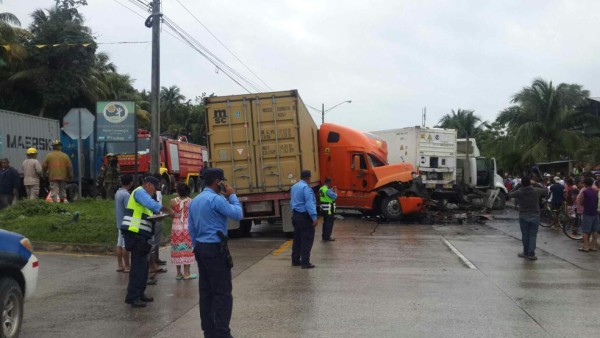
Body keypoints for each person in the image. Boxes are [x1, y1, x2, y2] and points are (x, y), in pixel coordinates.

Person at [188, 168, 243, 338]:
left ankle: (209, 332)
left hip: (201, 248)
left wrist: (197, 247)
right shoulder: (216, 200)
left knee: (206, 293)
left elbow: (191, 228)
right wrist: (232, 195)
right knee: (222, 293)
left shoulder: (195, 201)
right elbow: (238, 214)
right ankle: (222, 333)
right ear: (218, 182)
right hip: (215, 249)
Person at [121, 176, 174, 308]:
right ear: (148, 185)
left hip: (141, 235)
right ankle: (133, 297)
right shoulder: (139, 192)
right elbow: (151, 205)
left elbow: (146, 215)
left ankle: (140, 293)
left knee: (144, 267)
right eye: (155, 189)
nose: (154, 192)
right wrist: (166, 210)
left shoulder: (143, 195)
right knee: (138, 267)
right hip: (134, 234)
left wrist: (157, 218)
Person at [508, 176, 548, 260]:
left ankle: (526, 252)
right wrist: (536, 183)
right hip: (535, 215)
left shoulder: (519, 192)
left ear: (522, 183)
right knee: (533, 235)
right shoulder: (536, 190)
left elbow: (509, 194)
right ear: (530, 183)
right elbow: (546, 190)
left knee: (525, 235)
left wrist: (518, 185)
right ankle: (531, 253)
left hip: (523, 215)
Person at [291, 170, 318, 268]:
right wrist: (314, 217)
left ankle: (295, 260)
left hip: (295, 215)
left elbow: (292, 201)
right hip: (304, 216)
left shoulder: (294, 187)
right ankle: (305, 262)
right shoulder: (306, 188)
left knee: (297, 238)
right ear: (309, 177)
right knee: (307, 239)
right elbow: (309, 204)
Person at [170, 183, 196, 280]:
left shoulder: (173, 201)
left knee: (177, 248)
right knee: (188, 248)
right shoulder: (192, 201)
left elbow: (172, 213)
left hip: (176, 227)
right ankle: (187, 273)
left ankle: (178, 273)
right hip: (187, 226)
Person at [115, 174, 133, 273]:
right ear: (130, 183)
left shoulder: (118, 192)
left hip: (119, 221)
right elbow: (129, 208)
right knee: (125, 245)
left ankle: (120, 265)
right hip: (126, 222)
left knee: (119, 243)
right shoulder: (126, 195)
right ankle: (127, 266)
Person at [576, 177, 599, 252]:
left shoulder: (584, 192)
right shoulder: (595, 191)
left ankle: (585, 247)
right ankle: (593, 246)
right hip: (595, 213)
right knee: (594, 230)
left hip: (587, 213)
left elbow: (580, 201)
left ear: (585, 184)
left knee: (585, 231)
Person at [319, 177, 338, 241]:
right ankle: (327, 237)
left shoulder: (321, 189)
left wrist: (331, 190)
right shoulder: (327, 190)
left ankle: (324, 236)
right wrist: (335, 191)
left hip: (324, 209)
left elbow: (326, 196)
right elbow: (335, 196)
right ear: (329, 182)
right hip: (329, 210)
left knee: (325, 223)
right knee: (329, 224)